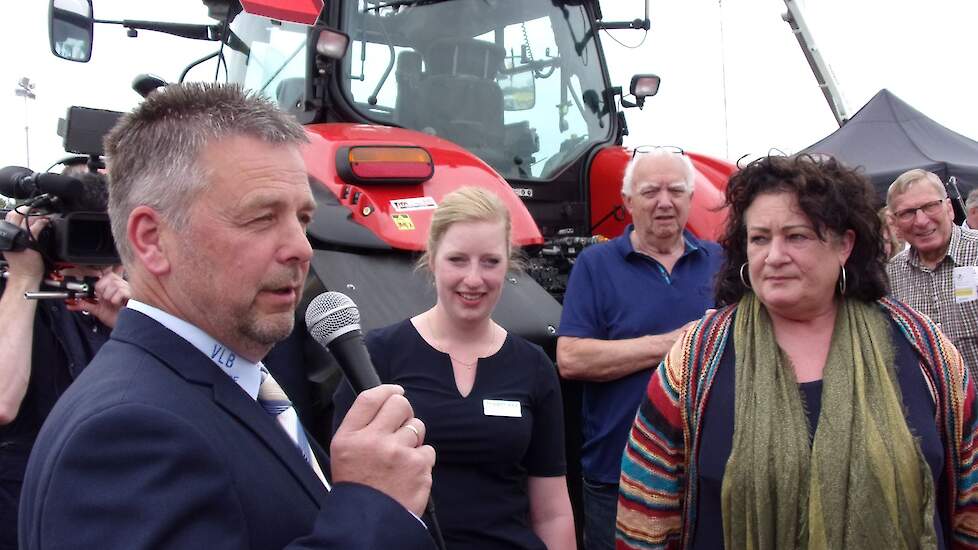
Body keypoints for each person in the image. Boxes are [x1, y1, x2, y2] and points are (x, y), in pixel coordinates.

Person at [19, 83, 436, 550]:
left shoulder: (232, 385)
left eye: (302, 219)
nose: (302, 248)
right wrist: (373, 508)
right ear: (152, 240)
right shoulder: (128, 435)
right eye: (261, 218)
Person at [616, 155, 978, 549]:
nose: (774, 256)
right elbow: (645, 517)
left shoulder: (922, 345)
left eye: (797, 236)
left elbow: (970, 500)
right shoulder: (695, 361)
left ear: (845, 244)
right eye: (759, 238)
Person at [333, 187, 576, 549]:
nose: (474, 279)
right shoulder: (377, 355)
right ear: (432, 259)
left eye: (490, 261)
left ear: (508, 264)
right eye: (458, 260)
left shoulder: (533, 366)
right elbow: (345, 490)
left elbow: (553, 509)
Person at [556, 147, 722, 550]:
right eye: (650, 192)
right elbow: (571, 358)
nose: (664, 202)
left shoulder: (721, 261)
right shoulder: (596, 265)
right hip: (618, 474)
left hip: (706, 474)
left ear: (689, 199)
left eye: (676, 191)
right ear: (628, 202)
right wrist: (675, 343)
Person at [0, 171, 130, 550]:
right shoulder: (12, 292)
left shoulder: (104, 306)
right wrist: (25, 278)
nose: (100, 257)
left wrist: (131, 327)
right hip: (22, 521)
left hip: (99, 516)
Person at [886, 169, 978, 377]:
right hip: (932, 408)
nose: (920, 220)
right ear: (896, 223)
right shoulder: (891, 275)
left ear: (949, 208)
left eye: (929, 206)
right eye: (908, 212)